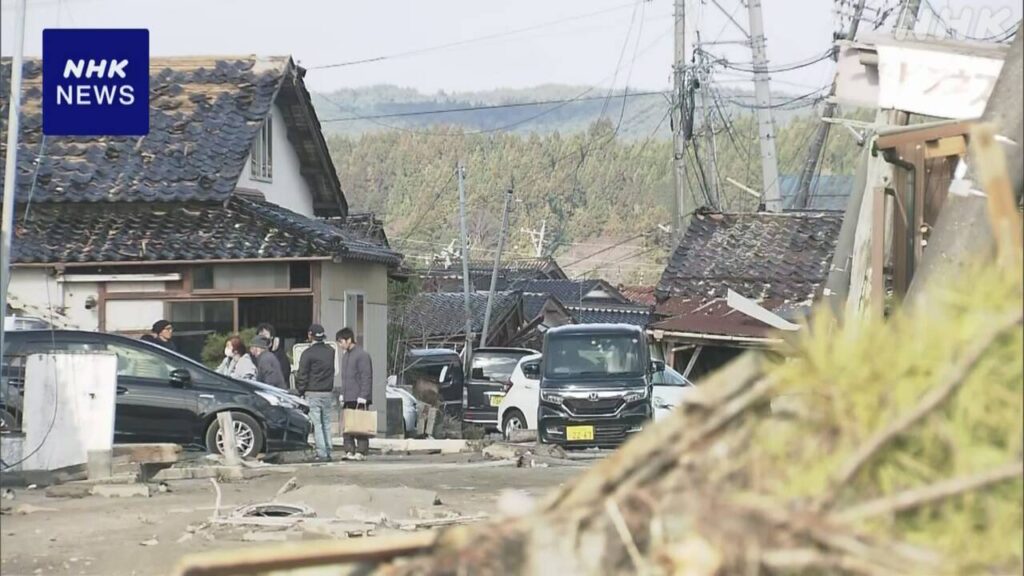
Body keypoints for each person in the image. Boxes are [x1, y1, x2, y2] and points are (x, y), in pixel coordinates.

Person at [295, 324, 337, 462]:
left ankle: (322, 453)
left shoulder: (307, 354)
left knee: (317, 425)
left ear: (310, 335)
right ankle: (329, 450)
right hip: (327, 392)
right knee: (326, 423)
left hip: (312, 392)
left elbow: (302, 375)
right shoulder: (331, 351)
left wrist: (300, 390)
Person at [337, 327, 373, 460]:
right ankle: (349, 450)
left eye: (341, 342)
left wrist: (364, 395)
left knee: (360, 425)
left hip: (359, 397)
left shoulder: (362, 355)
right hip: (348, 396)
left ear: (349, 340)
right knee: (347, 427)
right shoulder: (346, 356)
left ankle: (361, 451)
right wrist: (342, 393)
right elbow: (344, 378)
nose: (340, 345)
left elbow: (366, 376)